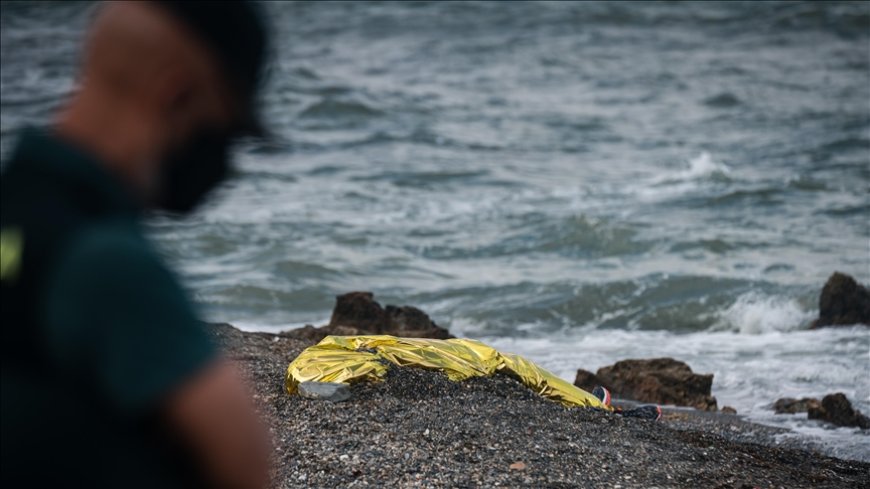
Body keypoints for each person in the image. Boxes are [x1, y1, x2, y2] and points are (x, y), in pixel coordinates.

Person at [1, 2, 272, 488]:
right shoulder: (105, 261)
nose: (223, 160)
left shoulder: (16, 214)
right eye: (224, 130)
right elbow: (243, 462)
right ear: (176, 94)